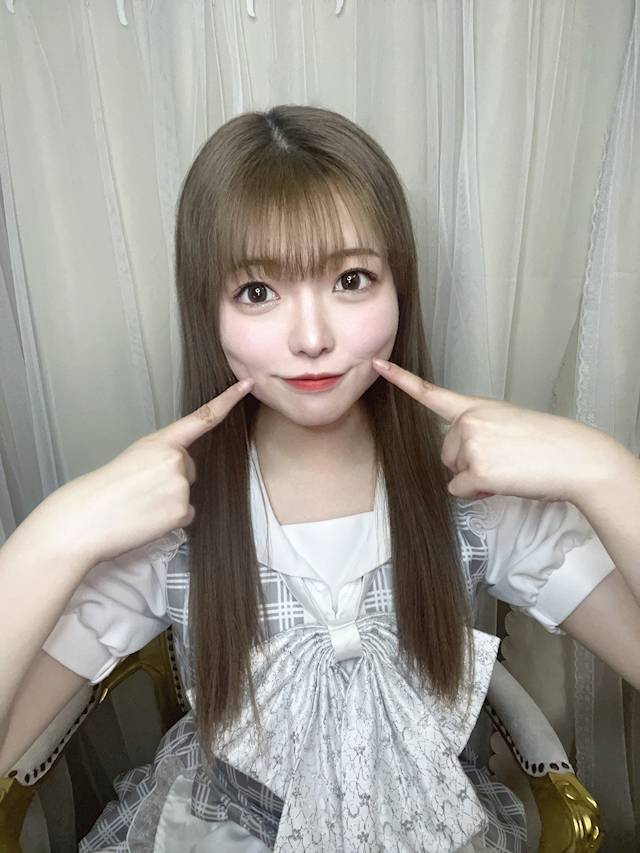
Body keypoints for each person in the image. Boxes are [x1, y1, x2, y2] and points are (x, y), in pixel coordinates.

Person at [1, 104, 637, 853]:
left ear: (400, 288)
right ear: (207, 310)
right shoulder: (169, 519)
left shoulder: (472, 494)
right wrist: (56, 535)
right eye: (257, 292)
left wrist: (603, 470)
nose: (311, 338)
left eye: (351, 279)